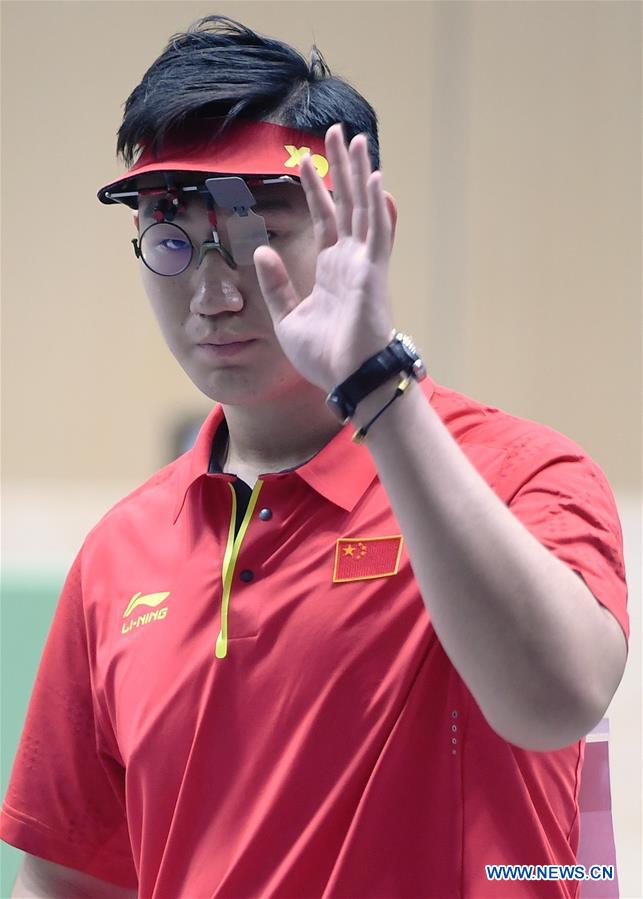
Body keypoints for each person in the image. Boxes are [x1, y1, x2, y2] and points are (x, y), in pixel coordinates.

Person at [1, 15, 629, 899]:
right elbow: (68, 879)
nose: (215, 290)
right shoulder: (118, 556)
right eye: (171, 234)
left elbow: (553, 700)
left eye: (258, 228)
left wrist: (373, 381)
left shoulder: (519, 473)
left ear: (357, 224)